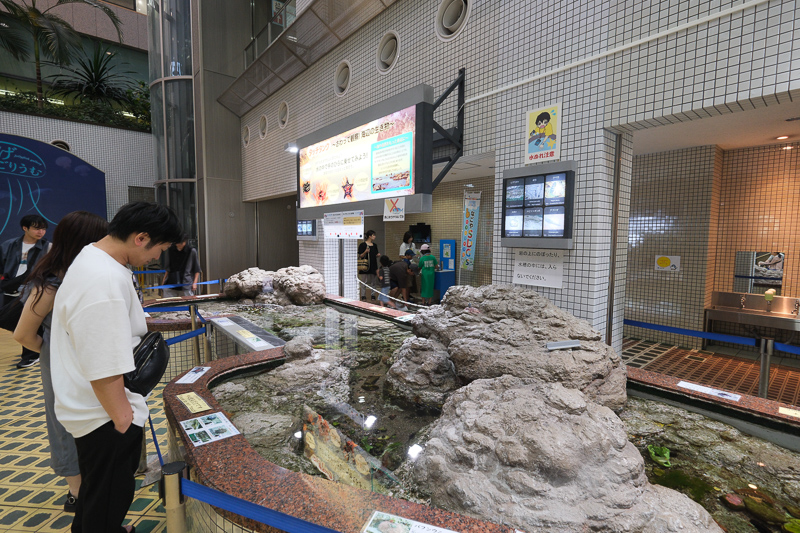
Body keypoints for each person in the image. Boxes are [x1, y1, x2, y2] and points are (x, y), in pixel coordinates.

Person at [50, 202, 182, 533]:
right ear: (141, 238)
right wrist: (124, 420)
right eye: (160, 249)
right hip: (105, 417)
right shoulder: (103, 281)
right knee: (108, 500)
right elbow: (102, 362)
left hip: (93, 411)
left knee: (97, 496)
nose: (157, 258)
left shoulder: (93, 259)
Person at [13, 211, 108, 514]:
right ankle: (77, 494)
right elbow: (23, 334)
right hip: (59, 368)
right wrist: (53, 351)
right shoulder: (50, 285)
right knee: (64, 426)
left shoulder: (88, 277)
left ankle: (93, 489)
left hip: (91, 366)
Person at [0, 214, 50, 368]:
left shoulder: (48, 247)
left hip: (32, 290)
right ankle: (35, 350)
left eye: (43, 229)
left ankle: (31, 354)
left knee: (30, 322)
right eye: (36, 228)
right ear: (25, 228)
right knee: (9, 320)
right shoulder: (9, 245)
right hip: (9, 289)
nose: (40, 232)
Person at [357, 229, 380, 302]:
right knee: (364, 281)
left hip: (373, 265)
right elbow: (360, 256)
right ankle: (363, 295)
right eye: (373, 235)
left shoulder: (375, 245)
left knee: (373, 281)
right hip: (365, 265)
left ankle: (373, 294)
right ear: (370, 236)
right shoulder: (363, 245)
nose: (375, 237)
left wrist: (377, 255)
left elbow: (375, 254)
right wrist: (365, 252)